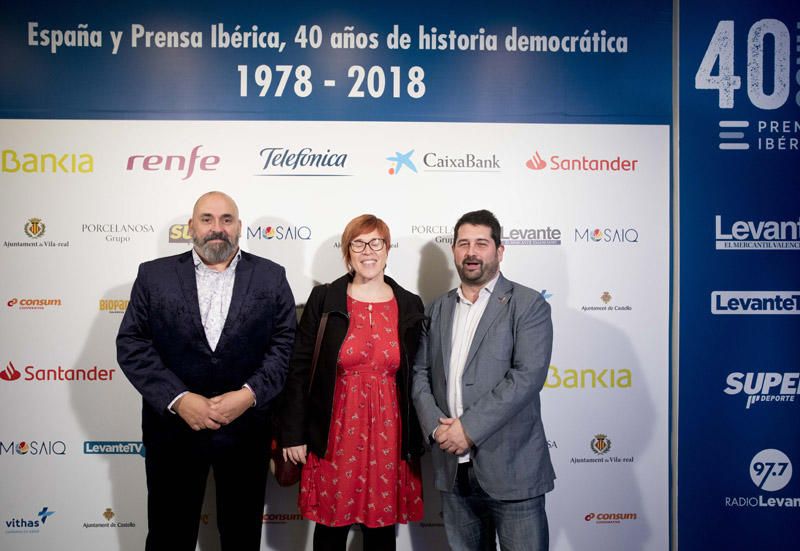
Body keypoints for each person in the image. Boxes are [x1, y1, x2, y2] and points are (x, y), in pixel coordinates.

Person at [116, 191, 296, 551]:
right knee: (169, 535)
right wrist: (179, 400)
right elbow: (132, 345)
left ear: (239, 227)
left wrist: (248, 395)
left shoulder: (271, 277)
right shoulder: (154, 276)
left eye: (227, 219)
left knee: (241, 536)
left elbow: (285, 346)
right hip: (173, 432)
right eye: (208, 219)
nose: (218, 228)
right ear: (191, 228)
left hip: (246, 431)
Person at [279, 214, 426, 551]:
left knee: (381, 533)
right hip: (334, 431)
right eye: (358, 243)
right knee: (330, 530)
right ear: (347, 252)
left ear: (388, 250)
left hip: (390, 433)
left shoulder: (409, 305)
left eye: (376, 242)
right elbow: (300, 369)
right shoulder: (324, 299)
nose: (368, 251)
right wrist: (294, 433)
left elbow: (419, 374)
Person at [412, 209, 555, 551]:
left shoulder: (528, 304)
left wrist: (468, 429)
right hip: (452, 469)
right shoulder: (436, 309)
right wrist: (437, 429)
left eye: (481, 243)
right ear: (454, 252)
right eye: (463, 243)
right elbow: (419, 374)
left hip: (512, 467)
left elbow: (527, 376)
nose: (471, 252)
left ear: (499, 250)